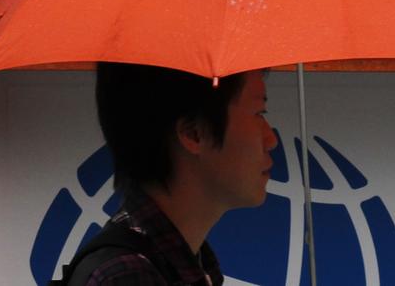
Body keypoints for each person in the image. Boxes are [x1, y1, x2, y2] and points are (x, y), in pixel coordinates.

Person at [53, 63, 278, 285]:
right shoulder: (126, 276)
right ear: (194, 133)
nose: (271, 139)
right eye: (259, 113)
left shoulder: (186, 264)